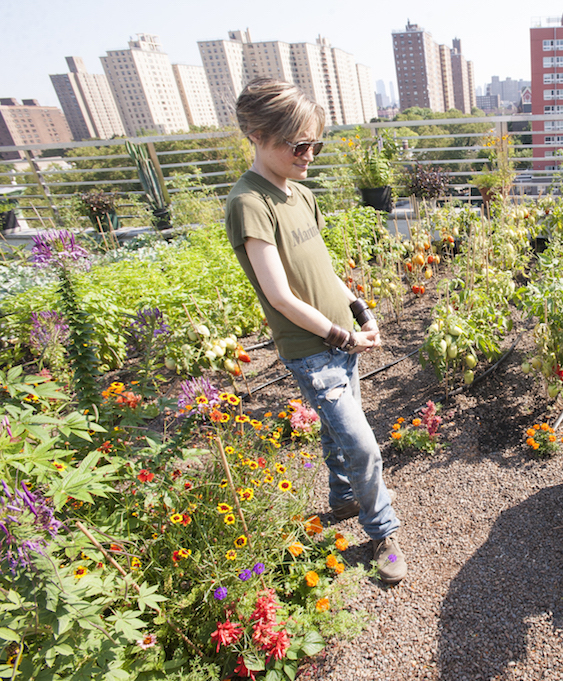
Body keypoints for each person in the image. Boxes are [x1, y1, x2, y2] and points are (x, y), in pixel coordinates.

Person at [225, 78, 406, 583]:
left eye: (315, 144)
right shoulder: (249, 203)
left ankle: (345, 499)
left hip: (339, 335)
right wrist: (342, 335)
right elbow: (280, 296)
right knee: (362, 442)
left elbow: (321, 270)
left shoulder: (300, 193)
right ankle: (383, 532)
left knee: (338, 431)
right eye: (298, 144)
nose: (309, 154)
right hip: (312, 348)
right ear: (259, 135)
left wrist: (357, 307)